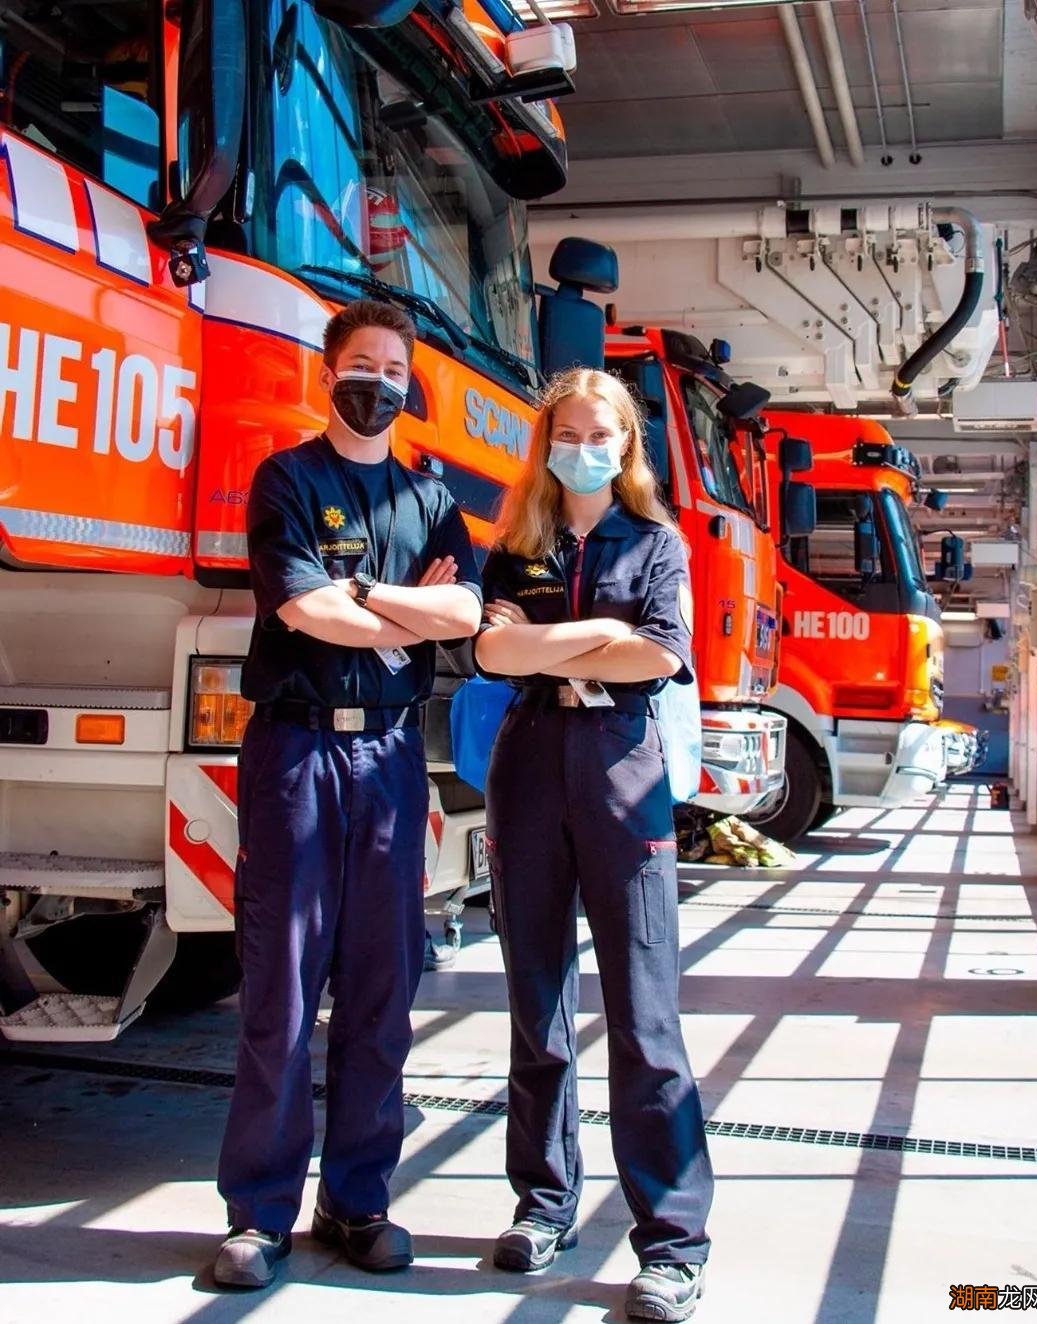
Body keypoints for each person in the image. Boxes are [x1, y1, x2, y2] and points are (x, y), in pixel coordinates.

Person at [213, 300, 482, 1290]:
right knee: (281, 987)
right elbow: (304, 610)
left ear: (411, 387)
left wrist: (365, 596)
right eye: (362, 363)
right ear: (330, 376)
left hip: (391, 760)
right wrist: (395, 608)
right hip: (297, 757)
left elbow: (464, 611)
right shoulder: (287, 478)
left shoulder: (428, 496)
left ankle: (359, 1198)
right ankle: (260, 1211)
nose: (379, 381)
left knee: (382, 985)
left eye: (395, 369)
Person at [474, 369, 713, 1322]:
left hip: (623, 770)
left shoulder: (656, 541)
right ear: (547, 444)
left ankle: (673, 1244)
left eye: (599, 431)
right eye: (566, 430)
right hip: (529, 764)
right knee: (536, 1006)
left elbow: (659, 653)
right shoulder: (516, 546)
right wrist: (595, 633)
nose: (583, 444)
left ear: (625, 445)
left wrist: (549, 641)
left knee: (644, 1017)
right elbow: (492, 654)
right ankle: (543, 1203)